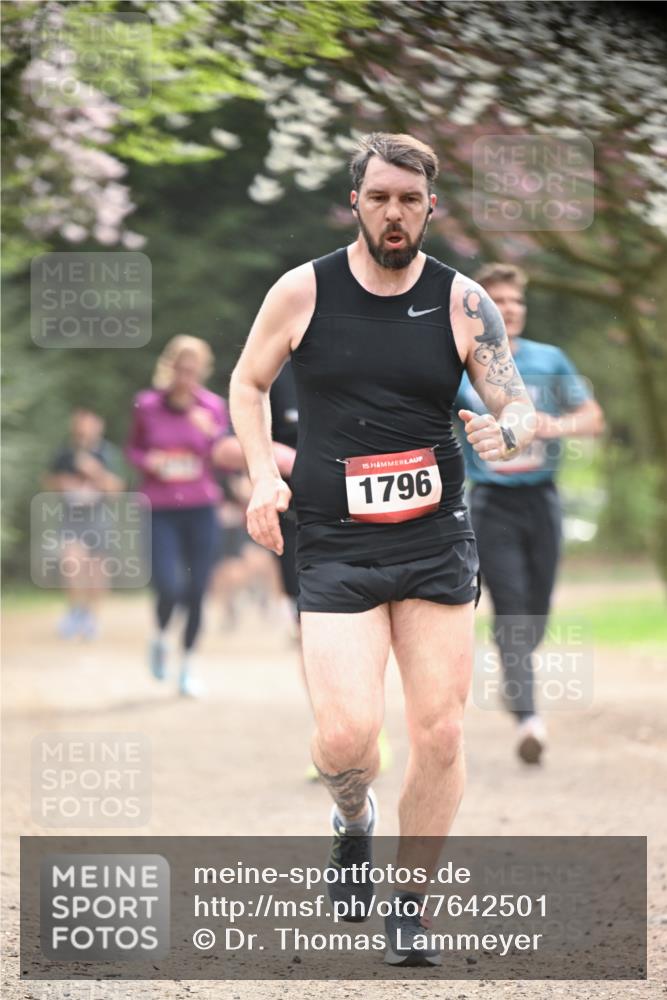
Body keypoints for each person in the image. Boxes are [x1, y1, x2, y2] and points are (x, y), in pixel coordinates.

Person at [229, 133, 535, 966]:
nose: (393, 214)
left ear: (430, 205)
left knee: (438, 733)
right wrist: (264, 478)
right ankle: (351, 819)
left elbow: (517, 406)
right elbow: (248, 383)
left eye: (409, 199)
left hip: (437, 538)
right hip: (333, 540)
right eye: (378, 199)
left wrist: (502, 431)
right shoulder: (303, 291)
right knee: (346, 739)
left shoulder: (462, 301)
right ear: (355, 203)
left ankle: (411, 903)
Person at [455, 263, 605, 764]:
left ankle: (513, 665)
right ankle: (529, 719)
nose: (511, 310)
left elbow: (592, 418)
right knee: (513, 606)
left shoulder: (550, 360)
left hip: (541, 500)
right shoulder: (463, 365)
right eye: (499, 301)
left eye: (517, 302)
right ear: (483, 311)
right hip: (491, 502)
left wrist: (551, 427)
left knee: (535, 611)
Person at [126, 336, 229, 697]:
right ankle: (159, 637)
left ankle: (187, 667)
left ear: (202, 371)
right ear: (169, 367)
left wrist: (212, 435)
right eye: (180, 368)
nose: (186, 376)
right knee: (168, 586)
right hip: (161, 507)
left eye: (193, 370)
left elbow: (225, 457)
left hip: (201, 507)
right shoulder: (147, 404)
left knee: (198, 589)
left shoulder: (214, 408)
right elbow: (133, 449)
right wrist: (148, 461)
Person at [45, 408, 125, 639]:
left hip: (98, 518)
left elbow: (116, 490)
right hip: (72, 518)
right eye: (80, 429)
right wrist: (63, 482)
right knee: (71, 564)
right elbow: (49, 480)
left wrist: (95, 472)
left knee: (96, 572)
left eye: (88, 428)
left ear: (97, 428)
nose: (83, 433)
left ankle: (91, 617)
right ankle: (75, 611)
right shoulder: (64, 453)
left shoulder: (108, 454)